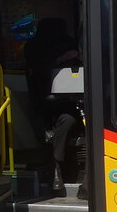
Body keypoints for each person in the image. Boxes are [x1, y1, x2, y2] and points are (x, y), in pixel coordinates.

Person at [23, 17, 83, 194]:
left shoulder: (70, 45)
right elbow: (39, 73)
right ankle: (56, 166)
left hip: (77, 100)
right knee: (67, 121)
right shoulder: (35, 49)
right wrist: (60, 60)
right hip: (50, 103)